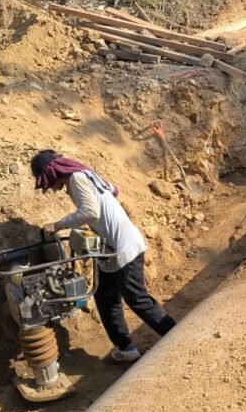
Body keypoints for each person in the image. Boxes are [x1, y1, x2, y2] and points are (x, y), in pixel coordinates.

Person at [30, 150, 176, 363]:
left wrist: (58, 225)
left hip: (122, 246)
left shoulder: (76, 179)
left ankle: (174, 336)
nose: (50, 188)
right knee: (105, 298)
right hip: (109, 249)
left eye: (48, 182)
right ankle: (126, 348)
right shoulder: (85, 174)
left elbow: (90, 212)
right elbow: (113, 191)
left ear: (51, 172)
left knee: (136, 298)